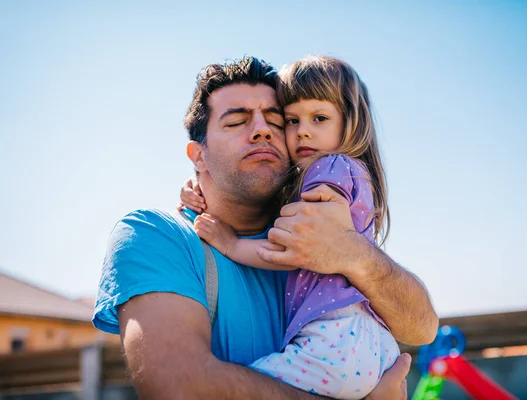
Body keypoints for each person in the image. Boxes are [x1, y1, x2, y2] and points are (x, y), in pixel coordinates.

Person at [92, 56, 438, 399]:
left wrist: (356, 255)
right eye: (236, 121)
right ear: (198, 156)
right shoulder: (155, 235)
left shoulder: (315, 223)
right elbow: (181, 390)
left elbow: (422, 328)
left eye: (276, 120)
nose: (263, 129)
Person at [179, 55, 402, 398]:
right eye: (292, 120)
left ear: (351, 124)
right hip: (362, 338)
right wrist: (200, 182)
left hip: (335, 335)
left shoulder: (331, 170)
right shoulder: (340, 173)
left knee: (232, 390)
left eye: (320, 118)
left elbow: (299, 247)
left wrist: (232, 245)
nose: (303, 132)